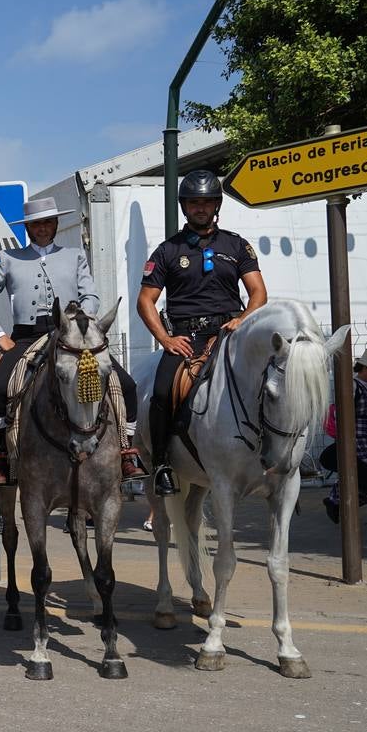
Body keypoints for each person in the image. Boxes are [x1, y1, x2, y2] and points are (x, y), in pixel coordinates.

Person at [0, 196, 148, 486]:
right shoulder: (9, 259)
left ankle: (127, 451)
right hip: (26, 337)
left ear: (56, 224)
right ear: (27, 227)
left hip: (71, 335)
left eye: (47, 222)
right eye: (36, 224)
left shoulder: (75, 256)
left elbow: (91, 295)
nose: (42, 228)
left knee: (125, 384)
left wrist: (80, 323)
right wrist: (0, 338)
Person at [138, 169, 267, 496]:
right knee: (163, 392)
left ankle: (277, 455)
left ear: (216, 205)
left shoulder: (237, 246)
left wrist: (244, 319)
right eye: (194, 202)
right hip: (186, 339)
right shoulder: (167, 251)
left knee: (271, 379)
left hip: (230, 332)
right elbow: (146, 301)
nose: (200, 208)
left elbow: (258, 293)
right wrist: (166, 340)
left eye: (207, 202)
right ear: (184, 206)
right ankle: (163, 464)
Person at [323, 349, 367, 528]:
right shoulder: (353, 386)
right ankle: (336, 501)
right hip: (360, 440)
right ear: (366, 368)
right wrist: (349, 438)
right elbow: (342, 414)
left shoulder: (364, 386)